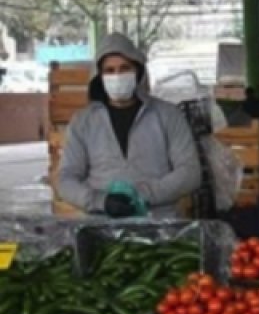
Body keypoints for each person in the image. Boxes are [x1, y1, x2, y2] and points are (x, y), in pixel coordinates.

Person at [58, 33, 201, 218]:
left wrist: (144, 194)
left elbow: (190, 172)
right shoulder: (83, 122)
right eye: (109, 71)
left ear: (138, 71)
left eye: (125, 68)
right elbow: (66, 180)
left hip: (159, 225)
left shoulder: (168, 115)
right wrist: (101, 201)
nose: (117, 76)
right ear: (99, 77)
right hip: (101, 226)